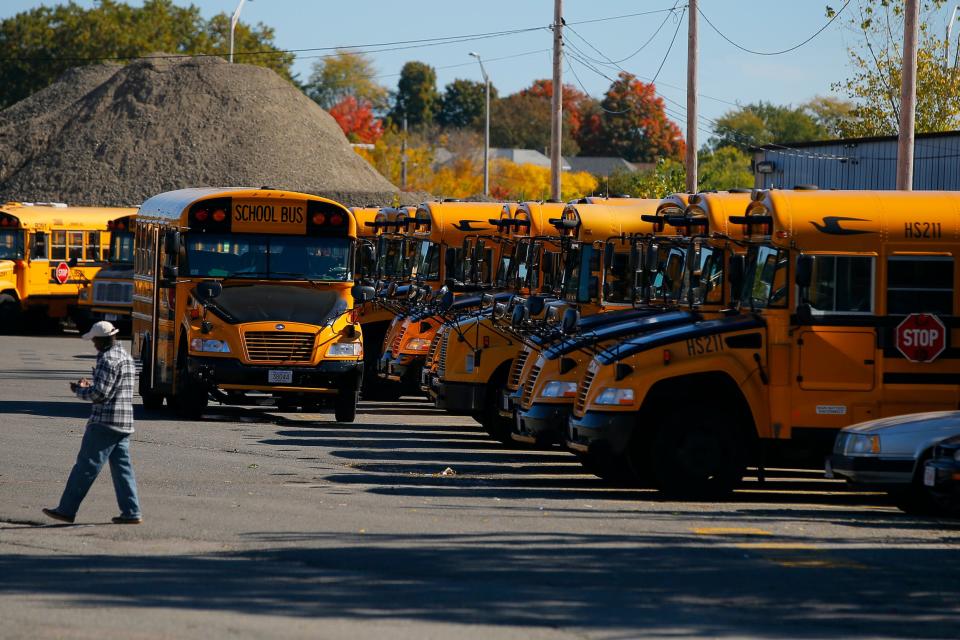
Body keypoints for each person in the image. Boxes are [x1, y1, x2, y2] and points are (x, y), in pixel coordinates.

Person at [42, 321, 142, 525]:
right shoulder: (125, 357)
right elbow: (113, 388)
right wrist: (92, 385)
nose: (94, 344)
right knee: (123, 470)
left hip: (105, 422)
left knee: (85, 467)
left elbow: (101, 394)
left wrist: (79, 390)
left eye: (95, 340)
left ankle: (66, 510)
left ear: (103, 340)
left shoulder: (107, 358)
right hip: (124, 421)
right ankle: (131, 511)